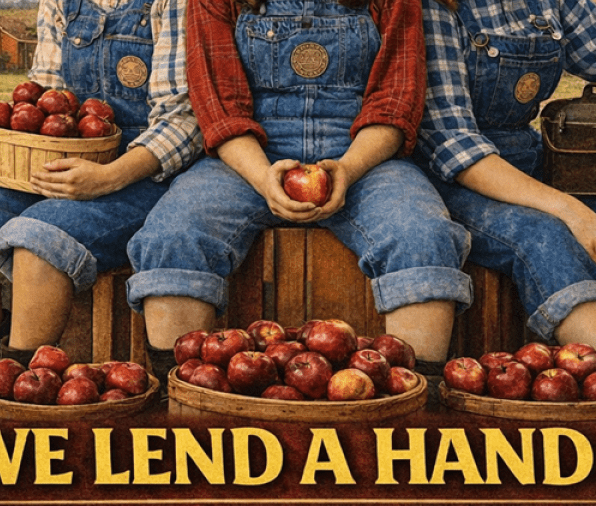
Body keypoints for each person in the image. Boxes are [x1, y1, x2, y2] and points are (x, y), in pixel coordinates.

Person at [125, 0, 474, 381]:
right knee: (174, 234)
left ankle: (419, 394)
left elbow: (395, 101)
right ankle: (179, 389)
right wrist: (263, 178)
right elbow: (219, 107)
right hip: (248, 154)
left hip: (364, 153)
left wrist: (349, 168)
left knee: (423, 235)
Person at [0, 0, 202, 394]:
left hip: (141, 172)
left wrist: (109, 176)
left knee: (40, 236)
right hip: (59, 159)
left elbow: (185, 118)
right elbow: (40, 97)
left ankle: (24, 389)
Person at [415, 0, 596, 378]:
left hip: (529, 159)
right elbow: (454, 144)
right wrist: (572, 211)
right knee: (544, 234)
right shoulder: (435, 8)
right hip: (458, 177)